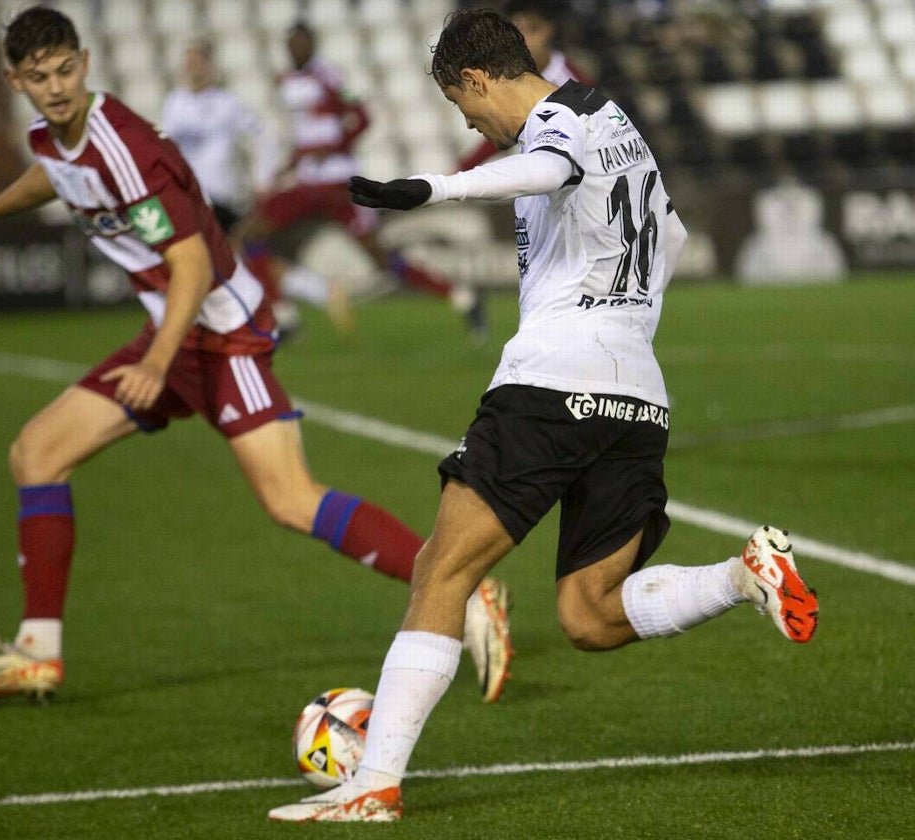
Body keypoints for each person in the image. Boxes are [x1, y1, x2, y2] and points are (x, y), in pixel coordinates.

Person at [268, 9, 820, 821]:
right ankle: (744, 576)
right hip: (636, 392)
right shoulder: (620, 128)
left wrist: (435, 188)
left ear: (478, 79)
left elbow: (547, 169)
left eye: (466, 109)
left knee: (441, 571)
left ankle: (374, 784)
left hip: (552, 382)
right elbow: (667, 239)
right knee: (590, 614)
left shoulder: (558, 123)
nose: (474, 127)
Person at [0, 7, 513, 704]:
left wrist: (156, 362)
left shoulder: (128, 149)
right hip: (174, 335)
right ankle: (37, 652)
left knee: (293, 500)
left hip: (219, 335)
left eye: (63, 71)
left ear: (84, 62)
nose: (54, 88)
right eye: (37, 78)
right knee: (37, 454)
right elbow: (55, 173)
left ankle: (466, 588)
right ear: (15, 79)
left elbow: (193, 266)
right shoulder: (55, 139)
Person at [235, 21, 489, 343]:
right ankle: (283, 316)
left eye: (302, 43)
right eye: (291, 44)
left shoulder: (328, 75)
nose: (296, 49)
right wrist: (290, 165)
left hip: (338, 182)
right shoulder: (287, 81)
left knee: (380, 258)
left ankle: (462, 295)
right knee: (251, 236)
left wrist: (336, 146)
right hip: (306, 182)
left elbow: (361, 118)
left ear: (312, 45)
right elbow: (307, 135)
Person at [161, 37, 353, 334]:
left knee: (228, 254)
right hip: (189, 194)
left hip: (220, 194)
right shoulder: (174, 104)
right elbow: (167, 149)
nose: (192, 68)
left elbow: (261, 137)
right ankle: (309, 294)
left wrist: (262, 179)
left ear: (209, 65)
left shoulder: (225, 103)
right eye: (189, 61)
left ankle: (276, 309)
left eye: (198, 61)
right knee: (238, 255)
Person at [456, 0, 595, 172]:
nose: (525, 38)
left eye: (533, 29)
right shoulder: (502, 75)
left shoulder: (574, 80)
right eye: (518, 30)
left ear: (549, 31)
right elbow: (503, 129)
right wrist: (463, 167)